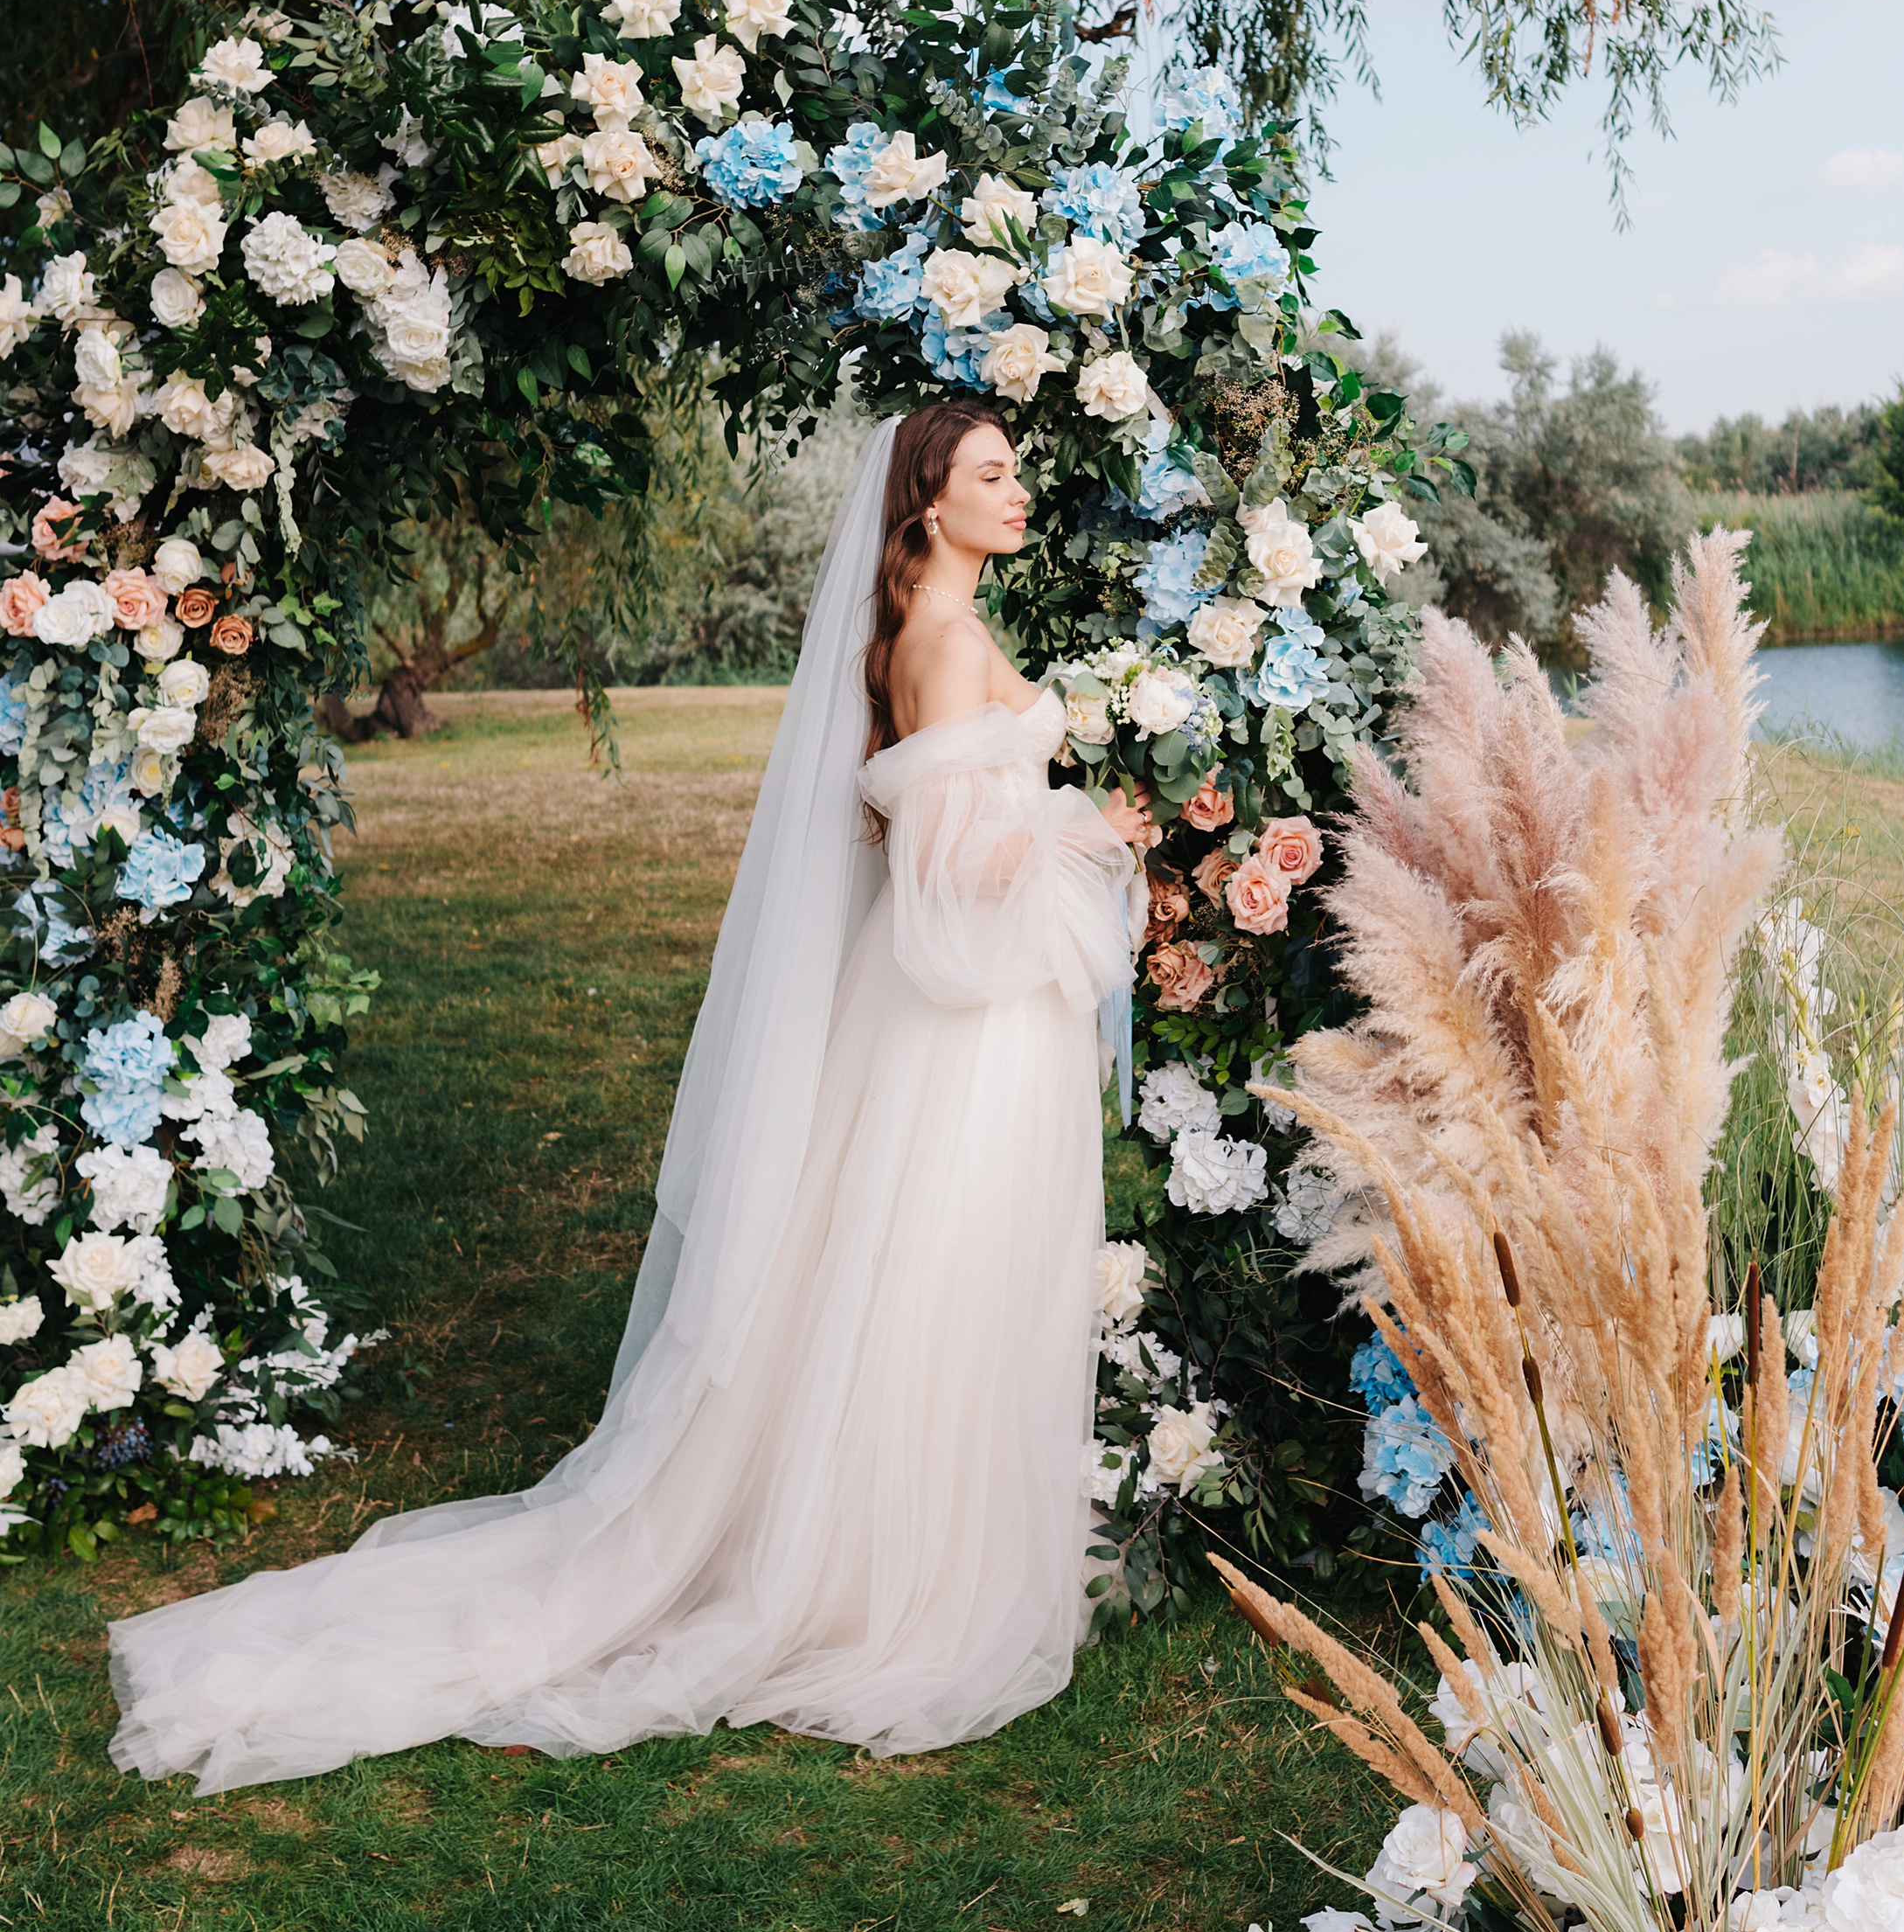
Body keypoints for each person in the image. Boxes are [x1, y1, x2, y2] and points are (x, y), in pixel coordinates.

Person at [108, 403, 1151, 1795]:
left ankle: (891, 1542)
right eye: (991, 475)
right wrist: (1094, 837)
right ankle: (892, 1579)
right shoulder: (948, 643)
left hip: (942, 1032)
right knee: (941, 1278)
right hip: (961, 1034)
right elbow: (954, 885)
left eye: (1017, 471)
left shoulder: (926, 632)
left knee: (915, 1281)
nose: (1019, 493)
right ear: (924, 501)